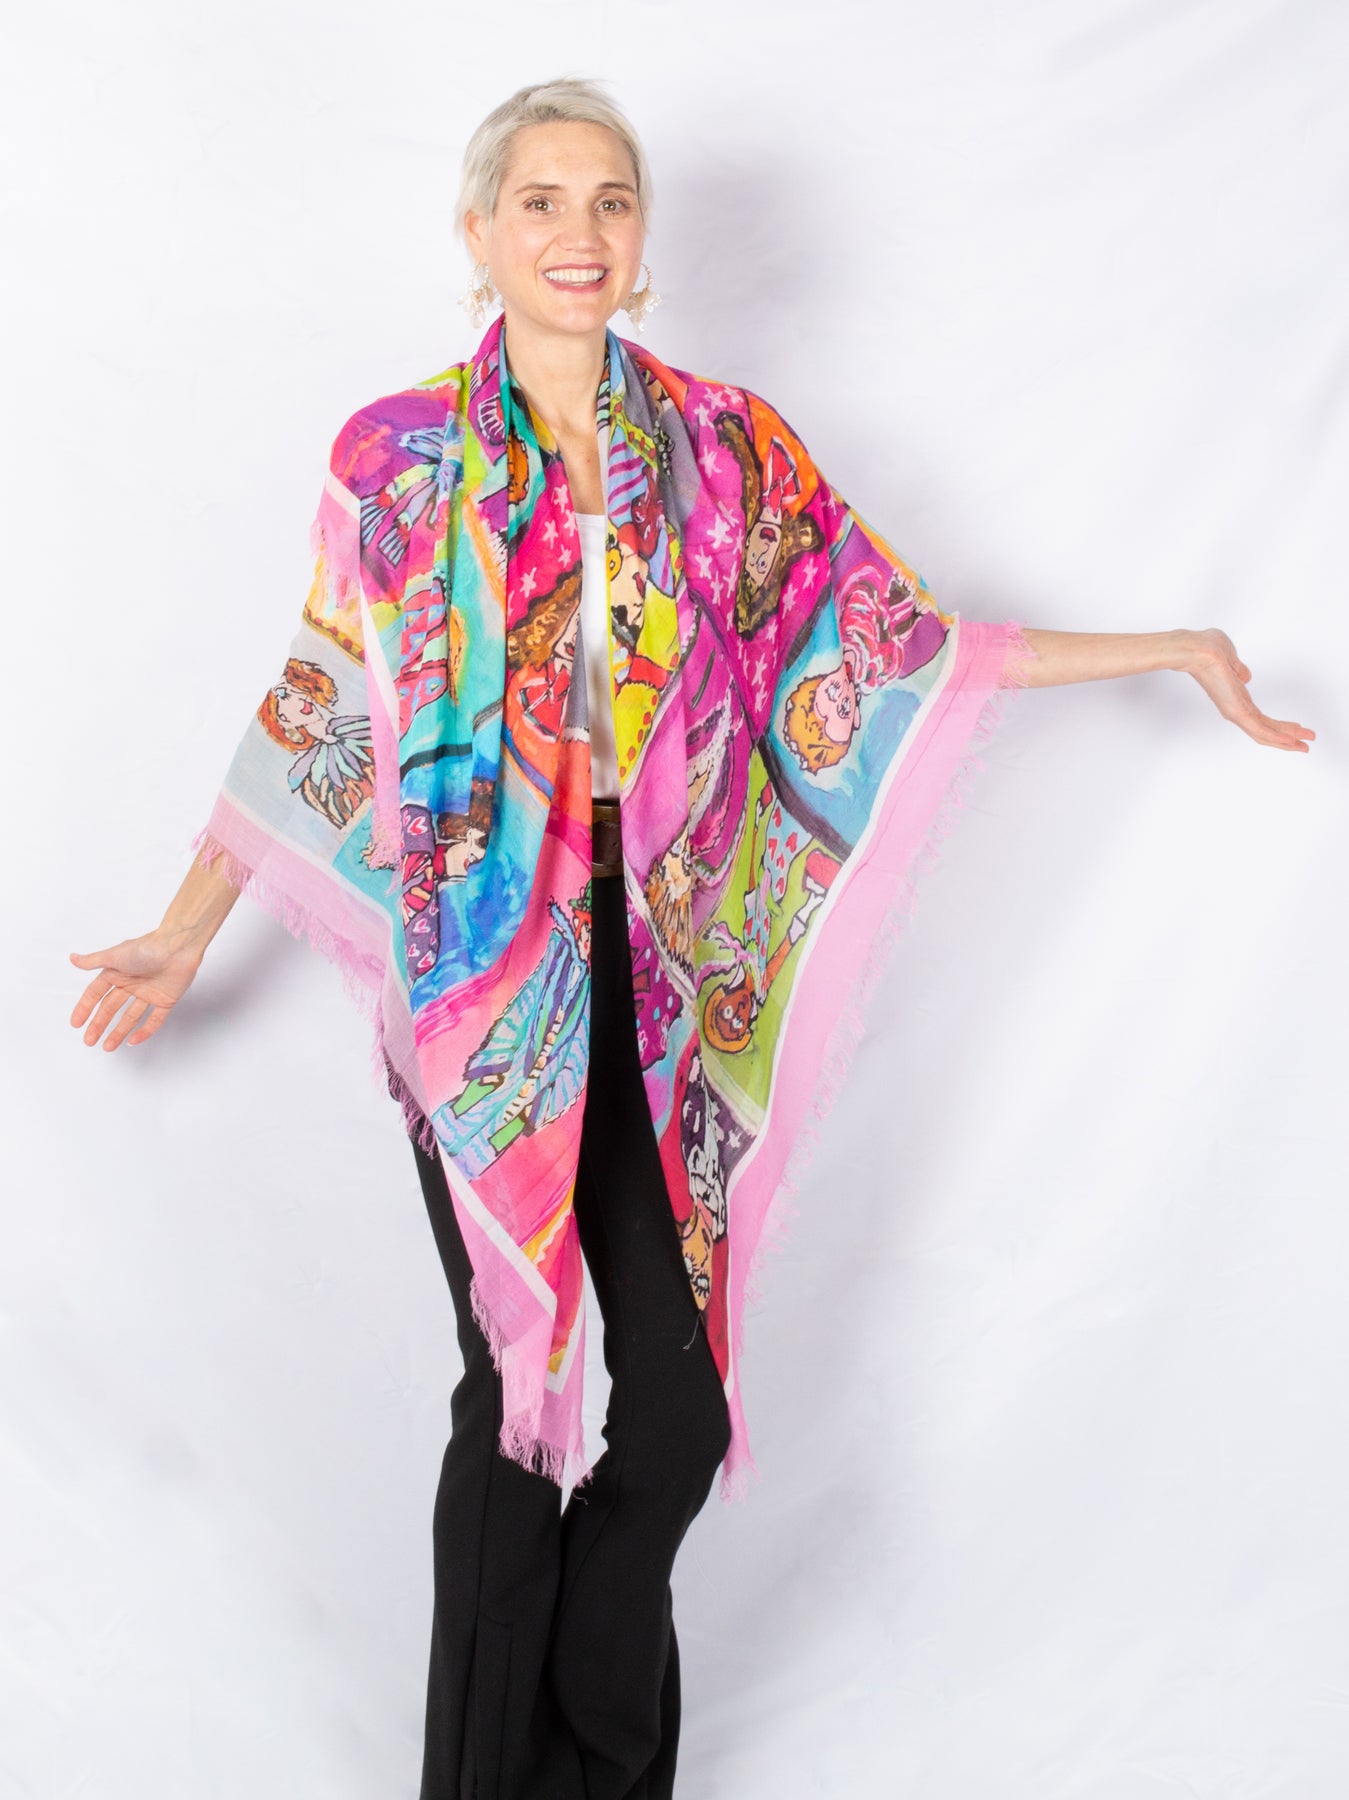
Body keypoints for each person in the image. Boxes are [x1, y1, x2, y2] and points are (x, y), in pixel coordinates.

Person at [67, 76, 1316, 1800]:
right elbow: (318, 701)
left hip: (658, 968)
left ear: (640, 237)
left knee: (670, 1417)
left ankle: (589, 1774)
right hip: (484, 975)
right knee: (513, 1395)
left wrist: (1165, 647)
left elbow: (891, 642)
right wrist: (182, 930)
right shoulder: (399, 457)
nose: (577, 233)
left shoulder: (724, 450)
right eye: (540, 201)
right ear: (478, 232)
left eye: (609, 201)